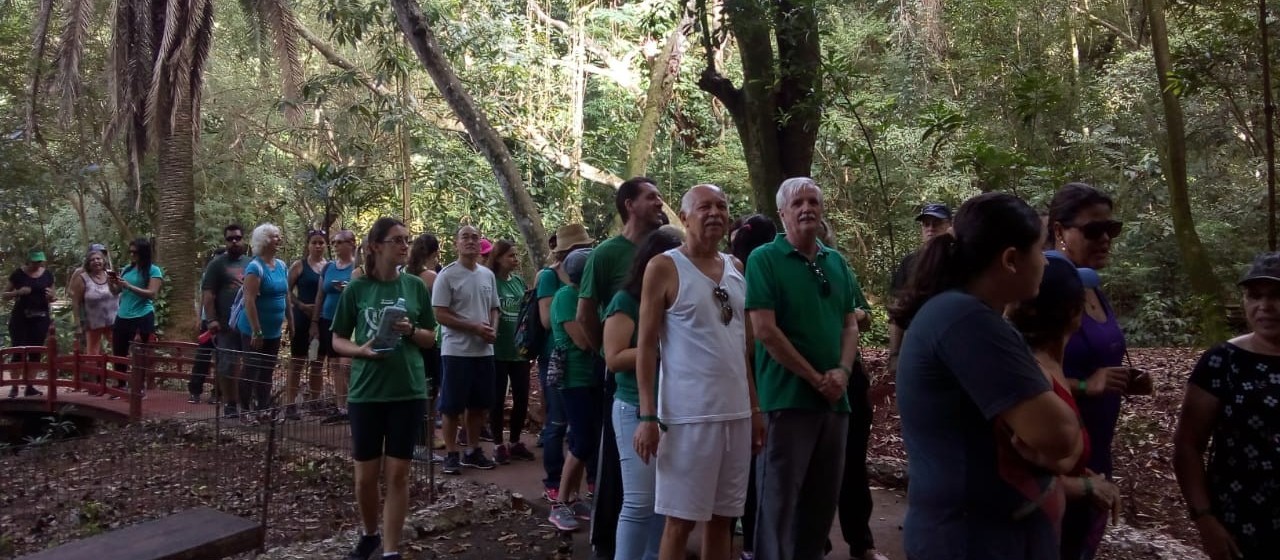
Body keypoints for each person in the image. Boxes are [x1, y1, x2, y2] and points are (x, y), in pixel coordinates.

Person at [889, 192, 1084, 559]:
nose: (1044, 262)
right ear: (1011, 260)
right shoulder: (967, 320)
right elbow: (1060, 435)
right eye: (1039, 252)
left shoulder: (971, 314)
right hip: (970, 539)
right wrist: (1058, 437)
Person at [634, 184, 763, 560]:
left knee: (723, 518)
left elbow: (742, 350)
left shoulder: (737, 268)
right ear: (685, 217)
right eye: (704, 207)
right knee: (680, 521)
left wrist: (754, 410)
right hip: (688, 418)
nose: (715, 213)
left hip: (736, 415)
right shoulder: (664, 267)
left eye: (721, 207)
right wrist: (647, 416)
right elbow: (645, 347)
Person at [744, 178, 867, 560]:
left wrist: (843, 374)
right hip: (786, 398)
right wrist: (815, 377)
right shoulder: (764, 258)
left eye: (813, 201)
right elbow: (764, 330)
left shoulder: (837, 261)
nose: (807, 208)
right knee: (777, 504)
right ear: (783, 213)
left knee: (821, 504)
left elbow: (850, 323)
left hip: (835, 401)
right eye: (798, 202)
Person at [331, 217, 437, 560]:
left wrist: (409, 331)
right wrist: (360, 350)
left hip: (407, 390)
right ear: (376, 246)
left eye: (407, 239)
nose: (405, 245)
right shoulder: (358, 289)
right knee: (365, 477)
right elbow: (337, 339)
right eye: (396, 240)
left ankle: (390, 551)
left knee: (398, 475)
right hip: (366, 391)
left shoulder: (416, 287)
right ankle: (369, 533)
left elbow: (430, 337)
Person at [1009, 255, 1123, 559]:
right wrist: (1085, 487)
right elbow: (1016, 472)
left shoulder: (1046, 368)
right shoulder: (1033, 378)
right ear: (1075, 312)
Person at [1048, 182, 1141, 558]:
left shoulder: (1090, 284)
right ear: (1059, 231)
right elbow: (1021, 375)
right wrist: (1088, 385)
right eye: (1092, 230)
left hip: (1096, 444)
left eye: (1111, 229)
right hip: (1058, 452)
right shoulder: (1049, 286)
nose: (1105, 238)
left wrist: (1122, 378)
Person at [578, 177, 667, 556]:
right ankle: (605, 545)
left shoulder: (669, 249)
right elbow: (585, 312)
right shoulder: (606, 254)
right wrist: (608, 354)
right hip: (625, 384)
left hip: (669, 392)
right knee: (622, 477)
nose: (660, 203)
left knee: (659, 490)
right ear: (629, 204)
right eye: (652, 197)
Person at [1173, 252, 1280, 560]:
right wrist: (1204, 519)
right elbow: (1188, 446)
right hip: (1241, 522)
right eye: (1254, 296)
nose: (1265, 307)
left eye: (1276, 296)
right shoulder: (1223, 361)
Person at [603, 226, 683, 559]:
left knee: (666, 502)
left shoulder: (682, 297)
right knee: (640, 502)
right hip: (635, 408)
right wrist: (662, 348)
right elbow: (615, 357)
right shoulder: (626, 301)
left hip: (678, 408)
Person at [727, 214, 776, 560]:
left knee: (741, 466)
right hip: (759, 379)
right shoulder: (763, 271)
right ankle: (754, 541)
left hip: (739, 377)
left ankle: (746, 541)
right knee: (757, 464)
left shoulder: (727, 270)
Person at [433, 225, 501, 474]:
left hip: (484, 351)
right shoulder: (447, 275)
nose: (471, 241)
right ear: (456, 243)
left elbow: (494, 307)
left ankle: (473, 450)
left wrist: (492, 329)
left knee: (478, 405)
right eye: (465, 237)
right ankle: (452, 453)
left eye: (475, 237)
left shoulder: (487, 275)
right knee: (451, 406)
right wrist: (472, 327)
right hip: (456, 351)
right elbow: (440, 313)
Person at [547, 248, 602, 532]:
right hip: (574, 378)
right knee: (581, 441)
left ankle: (573, 497)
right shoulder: (566, 297)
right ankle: (559, 504)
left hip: (592, 378)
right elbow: (582, 341)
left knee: (589, 440)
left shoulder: (589, 297)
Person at [537, 223, 593, 502]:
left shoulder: (590, 284)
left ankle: (588, 484)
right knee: (558, 422)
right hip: (559, 358)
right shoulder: (551, 280)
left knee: (585, 430)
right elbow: (546, 320)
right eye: (581, 249)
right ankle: (555, 482)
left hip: (588, 365)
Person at [886, 203, 951, 379]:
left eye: (936, 223)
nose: (930, 229)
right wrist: (894, 354)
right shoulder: (910, 263)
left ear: (949, 227)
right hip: (916, 342)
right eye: (926, 224)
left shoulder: (960, 260)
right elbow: (897, 311)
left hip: (952, 343)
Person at [235, 223, 291, 423]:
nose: (279, 239)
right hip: (253, 330)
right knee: (250, 368)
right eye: (276, 236)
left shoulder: (282, 266)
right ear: (265, 241)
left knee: (267, 371)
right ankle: (245, 410)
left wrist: (290, 323)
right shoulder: (254, 267)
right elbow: (249, 300)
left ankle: (263, 408)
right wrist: (256, 331)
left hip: (274, 331)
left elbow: (286, 296)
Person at [487, 240, 535, 464]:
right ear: (498, 258)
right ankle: (498, 444)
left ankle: (515, 441)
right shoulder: (490, 281)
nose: (515, 260)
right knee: (496, 399)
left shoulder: (517, 282)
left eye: (516, 256)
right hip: (497, 350)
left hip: (519, 351)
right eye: (511, 256)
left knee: (521, 396)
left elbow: (526, 311)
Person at [202, 224, 250, 417]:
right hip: (225, 324)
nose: (234, 242)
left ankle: (246, 402)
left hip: (248, 323)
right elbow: (208, 293)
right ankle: (230, 403)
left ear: (243, 239)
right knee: (227, 364)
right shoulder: (217, 264)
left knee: (250, 365)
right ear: (225, 241)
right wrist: (211, 319)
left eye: (237, 238)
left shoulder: (251, 262)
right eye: (230, 239)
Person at [108, 238, 163, 397]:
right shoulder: (127, 269)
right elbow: (115, 292)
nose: (132, 255)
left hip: (142, 314)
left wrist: (129, 286)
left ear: (143, 253)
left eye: (135, 252)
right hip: (123, 314)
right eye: (130, 252)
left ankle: (140, 386)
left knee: (141, 353)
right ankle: (120, 384)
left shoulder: (154, 270)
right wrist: (110, 282)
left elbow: (152, 294)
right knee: (119, 351)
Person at [314, 229, 358, 424]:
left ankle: (355, 404)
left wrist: (349, 288)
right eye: (334, 243)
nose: (336, 246)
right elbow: (320, 295)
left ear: (351, 244)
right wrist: (314, 322)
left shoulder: (358, 267)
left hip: (350, 321)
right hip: (327, 318)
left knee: (347, 363)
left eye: (340, 242)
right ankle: (342, 407)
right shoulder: (328, 267)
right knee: (334, 364)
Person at [284, 230, 328, 420]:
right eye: (314, 243)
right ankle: (290, 404)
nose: (318, 246)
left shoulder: (328, 267)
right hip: (301, 318)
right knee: (297, 362)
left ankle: (313, 402)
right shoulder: (299, 266)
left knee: (317, 362)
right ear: (308, 245)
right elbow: (286, 290)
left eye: (321, 243)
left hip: (321, 320)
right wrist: (301, 305)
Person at [408, 233, 443, 459]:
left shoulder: (406, 274)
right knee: (429, 392)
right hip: (430, 337)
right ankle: (423, 440)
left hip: (413, 337)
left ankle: (420, 439)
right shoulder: (431, 276)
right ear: (435, 253)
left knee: (419, 390)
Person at [4, 249, 55, 398]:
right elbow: (4, 295)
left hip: (40, 317)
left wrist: (52, 296)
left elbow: (53, 296)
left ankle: (30, 386)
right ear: (29, 260)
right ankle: (13, 386)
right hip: (20, 318)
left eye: (40, 261)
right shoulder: (18, 274)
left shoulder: (47, 274)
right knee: (18, 351)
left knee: (35, 352)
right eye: (35, 261)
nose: (37, 264)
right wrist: (18, 292)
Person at [188, 247, 226, 403]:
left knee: (222, 359)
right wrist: (198, 318)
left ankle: (218, 393)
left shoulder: (231, 275)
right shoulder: (207, 275)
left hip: (225, 322)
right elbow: (203, 298)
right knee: (202, 357)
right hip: (207, 322)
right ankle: (195, 391)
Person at [69, 247, 117, 358]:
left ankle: (119, 374)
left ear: (103, 260)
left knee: (118, 350)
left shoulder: (110, 274)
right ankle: (94, 374)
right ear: (88, 263)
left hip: (113, 321)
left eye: (98, 258)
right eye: (92, 260)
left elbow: (119, 292)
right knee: (92, 354)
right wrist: (77, 324)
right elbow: (75, 302)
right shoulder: (82, 278)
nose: (96, 261)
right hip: (93, 323)